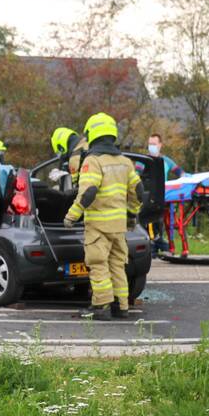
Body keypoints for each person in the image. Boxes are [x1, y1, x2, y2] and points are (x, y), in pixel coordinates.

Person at [64, 112, 143, 320]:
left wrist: (71, 216)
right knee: (117, 265)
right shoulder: (125, 162)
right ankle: (122, 306)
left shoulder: (93, 161)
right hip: (119, 226)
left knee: (98, 264)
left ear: (92, 134)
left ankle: (101, 307)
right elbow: (138, 191)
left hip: (98, 225)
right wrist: (132, 214)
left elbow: (88, 192)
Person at [145, 133, 184, 254]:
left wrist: (183, 180)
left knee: (162, 220)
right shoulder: (143, 160)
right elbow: (135, 175)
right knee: (150, 220)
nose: (151, 146)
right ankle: (150, 242)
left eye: (154, 144)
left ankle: (159, 240)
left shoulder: (166, 161)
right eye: (149, 144)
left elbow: (180, 172)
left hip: (163, 197)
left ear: (160, 145)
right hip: (148, 198)